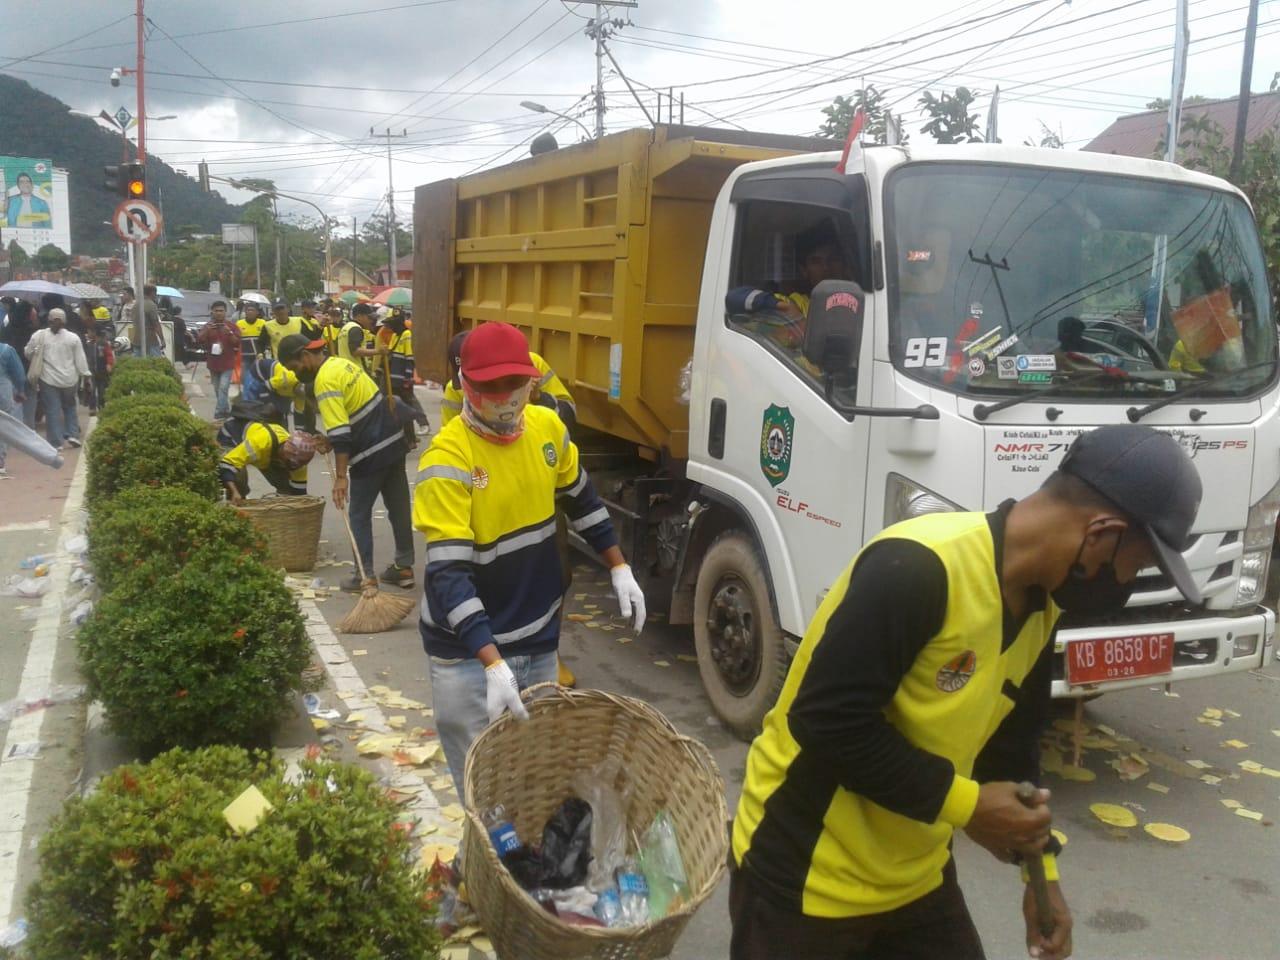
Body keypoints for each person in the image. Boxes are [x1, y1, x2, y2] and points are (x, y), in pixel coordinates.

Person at [729, 424, 1205, 960]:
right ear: (1100, 533)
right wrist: (971, 806)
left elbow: (1012, 748)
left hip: (915, 879)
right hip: (804, 878)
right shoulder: (919, 566)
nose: (1125, 583)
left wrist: (1040, 877)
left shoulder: (1044, 605)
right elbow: (826, 723)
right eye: (1135, 564)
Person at [412, 322, 646, 799]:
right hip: (467, 654)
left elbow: (582, 500)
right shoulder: (447, 459)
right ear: (465, 385)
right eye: (488, 387)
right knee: (483, 791)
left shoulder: (546, 428)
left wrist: (618, 565)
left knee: (532, 781)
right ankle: (477, 866)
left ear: (531, 382)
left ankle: (510, 867)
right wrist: (492, 663)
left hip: (538, 638)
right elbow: (448, 576)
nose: (503, 397)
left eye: (513, 385)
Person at [279, 333, 416, 592]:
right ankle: (404, 567)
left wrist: (341, 477)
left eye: (294, 368)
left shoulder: (323, 382)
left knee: (358, 514)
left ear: (305, 356)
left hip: (370, 453)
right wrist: (330, 440)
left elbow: (342, 434)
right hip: (393, 442)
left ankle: (364, 576)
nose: (296, 374)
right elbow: (357, 411)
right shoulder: (342, 364)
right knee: (398, 506)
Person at [727, 219, 850, 351]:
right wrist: (784, 308)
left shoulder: (863, 304)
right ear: (804, 270)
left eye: (833, 259)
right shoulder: (797, 303)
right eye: (816, 261)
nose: (826, 268)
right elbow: (734, 298)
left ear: (844, 265)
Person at [440, 330, 575, 429]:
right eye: (466, 379)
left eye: (482, 382)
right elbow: (449, 430)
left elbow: (569, 417)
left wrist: (538, 397)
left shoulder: (535, 365)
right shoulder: (455, 389)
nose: (469, 387)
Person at [217, 409, 322, 504]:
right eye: (289, 462)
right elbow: (227, 464)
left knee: (286, 486)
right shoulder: (260, 443)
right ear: (284, 453)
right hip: (232, 438)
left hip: (267, 454)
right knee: (238, 478)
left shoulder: (300, 459)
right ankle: (238, 503)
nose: (292, 467)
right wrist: (235, 492)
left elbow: (299, 492)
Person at [24, 308, 89, 450]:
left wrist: (36, 355)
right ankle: (72, 434)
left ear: (49, 320)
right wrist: (85, 375)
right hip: (70, 379)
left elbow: (27, 353)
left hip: (48, 379)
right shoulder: (73, 338)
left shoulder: (39, 336)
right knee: (70, 407)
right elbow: (80, 360)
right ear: (65, 321)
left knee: (52, 410)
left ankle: (55, 442)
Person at [197, 300, 241, 420]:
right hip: (213, 363)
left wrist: (229, 333)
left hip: (227, 362)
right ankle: (225, 410)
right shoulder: (208, 326)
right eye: (216, 311)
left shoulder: (232, 326)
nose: (219, 313)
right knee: (217, 389)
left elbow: (237, 342)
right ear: (212, 312)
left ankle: (219, 413)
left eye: (221, 311)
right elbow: (199, 340)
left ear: (225, 312)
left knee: (223, 387)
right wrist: (207, 330)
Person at [2, 300, 39, 427]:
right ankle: (29, 428)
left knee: (13, 404)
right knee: (30, 400)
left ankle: (15, 430)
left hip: (9, 373)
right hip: (29, 370)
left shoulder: (6, 329)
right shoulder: (33, 330)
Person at [0, 339, 26, 477]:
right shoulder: (6, 350)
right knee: (2, 426)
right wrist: (20, 390)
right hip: (2, 392)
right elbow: (18, 373)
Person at [236, 300, 269, 393]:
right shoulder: (239, 323)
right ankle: (247, 398)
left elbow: (266, 340)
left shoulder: (263, 323)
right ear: (245, 312)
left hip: (259, 357)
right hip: (245, 357)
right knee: (245, 378)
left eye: (252, 310)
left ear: (257, 312)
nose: (250, 312)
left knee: (259, 378)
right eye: (248, 310)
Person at [82, 322, 114, 414]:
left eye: (89, 332)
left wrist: (109, 364)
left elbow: (109, 355)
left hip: (102, 371)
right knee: (91, 390)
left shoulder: (103, 344)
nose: (88, 334)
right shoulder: (88, 344)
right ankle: (92, 408)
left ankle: (101, 406)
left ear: (94, 332)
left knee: (102, 391)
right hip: (91, 371)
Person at [140, 285, 165, 357]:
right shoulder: (151, 305)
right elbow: (156, 324)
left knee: (138, 361)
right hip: (150, 338)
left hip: (136, 339)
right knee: (156, 361)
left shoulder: (136, 304)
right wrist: (162, 340)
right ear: (152, 293)